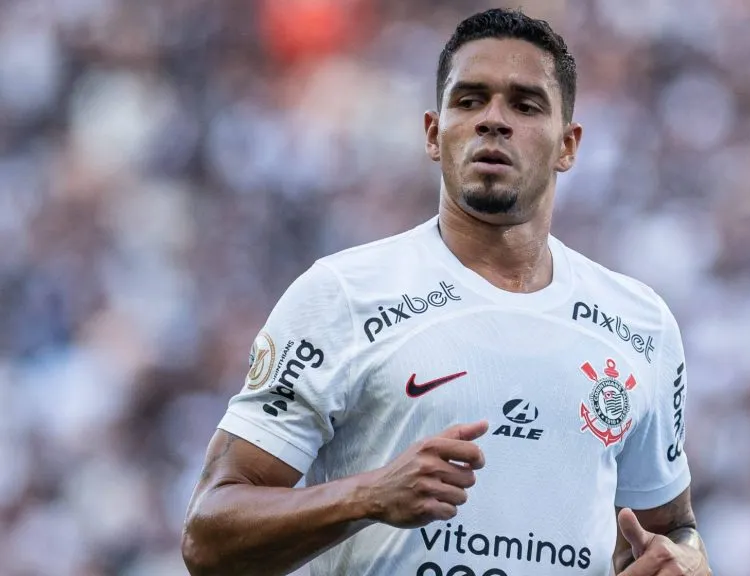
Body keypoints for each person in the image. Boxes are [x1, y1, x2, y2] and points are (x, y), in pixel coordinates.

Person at [181, 8, 712, 576]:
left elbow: (669, 526)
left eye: (525, 105)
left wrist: (686, 561)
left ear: (569, 145)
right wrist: (368, 496)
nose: (493, 121)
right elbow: (209, 538)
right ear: (434, 134)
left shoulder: (639, 324)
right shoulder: (341, 295)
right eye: (470, 100)